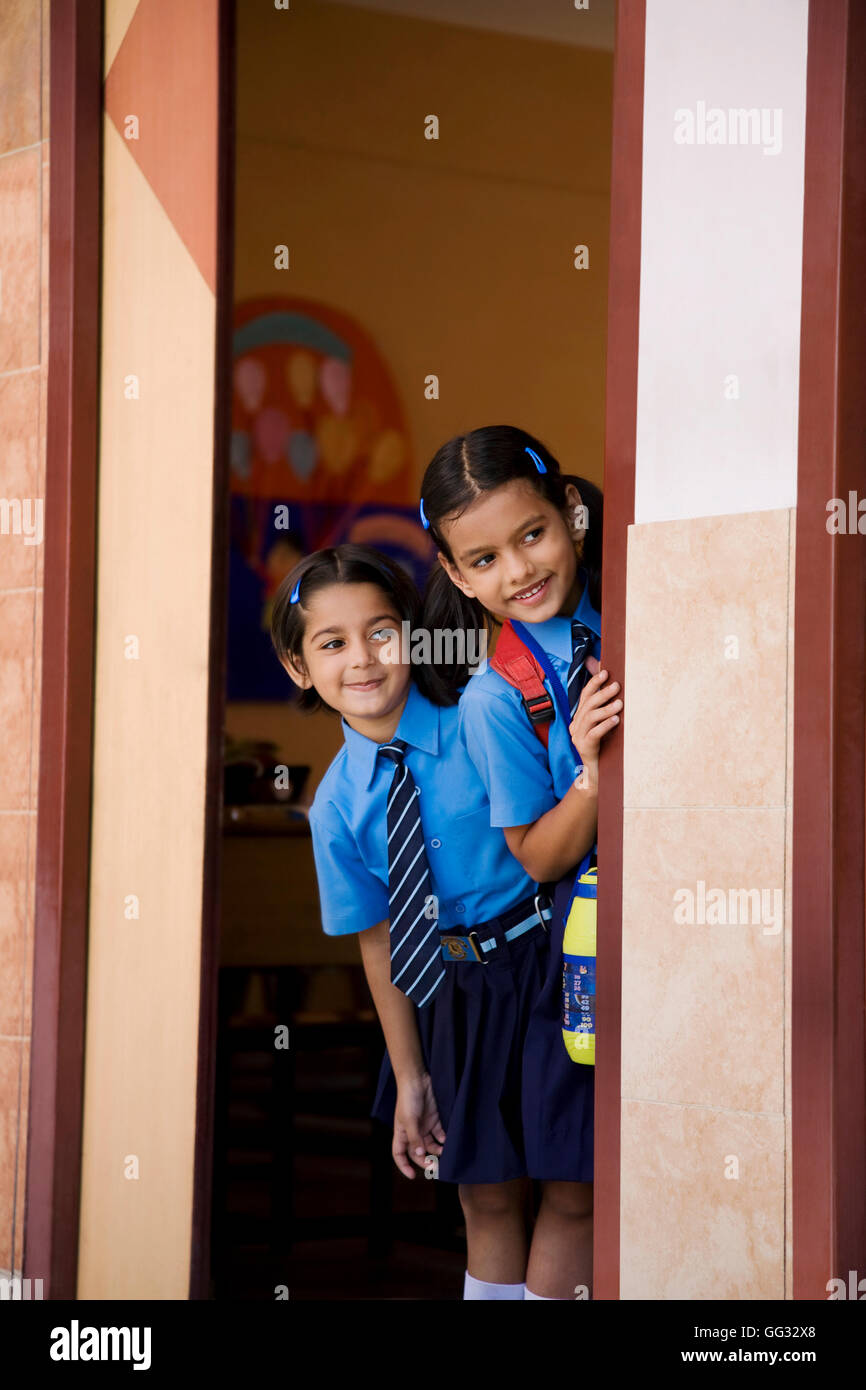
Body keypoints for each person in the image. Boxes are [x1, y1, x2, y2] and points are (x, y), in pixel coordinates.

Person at [271, 542, 570, 1300]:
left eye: (382, 631)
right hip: (455, 995)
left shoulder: (480, 718)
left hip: (549, 961)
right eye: (332, 643)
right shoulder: (336, 807)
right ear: (299, 667)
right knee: (488, 1195)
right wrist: (410, 1075)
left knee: (573, 1181)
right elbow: (380, 944)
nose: (364, 659)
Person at [419, 424, 624, 1300]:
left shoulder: (641, 614)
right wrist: (589, 774)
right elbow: (536, 857)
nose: (519, 571)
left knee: (601, 1183)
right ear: (460, 576)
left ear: (571, 516)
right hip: (559, 957)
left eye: (532, 535)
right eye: (486, 558)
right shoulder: (495, 697)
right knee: (556, 1187)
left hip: (656, 933)